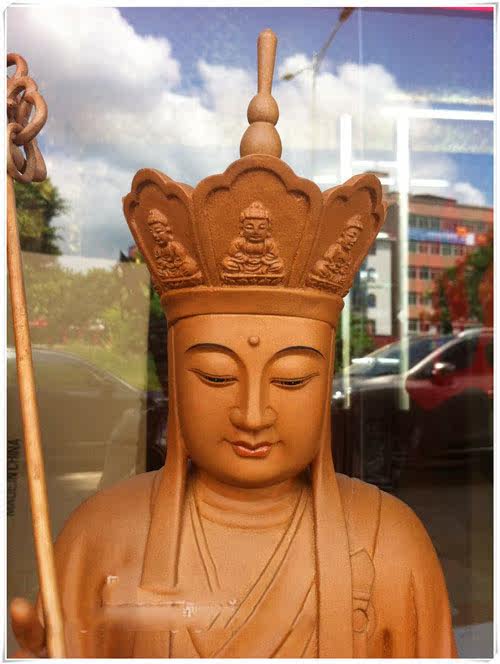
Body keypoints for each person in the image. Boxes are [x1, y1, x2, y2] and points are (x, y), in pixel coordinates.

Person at [11, 29, 457, 658]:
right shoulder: (101, 536)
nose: (252, 414)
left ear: (328, 379)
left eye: (292, 379)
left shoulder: (392, 544)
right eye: (217, 377)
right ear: (174, 376)